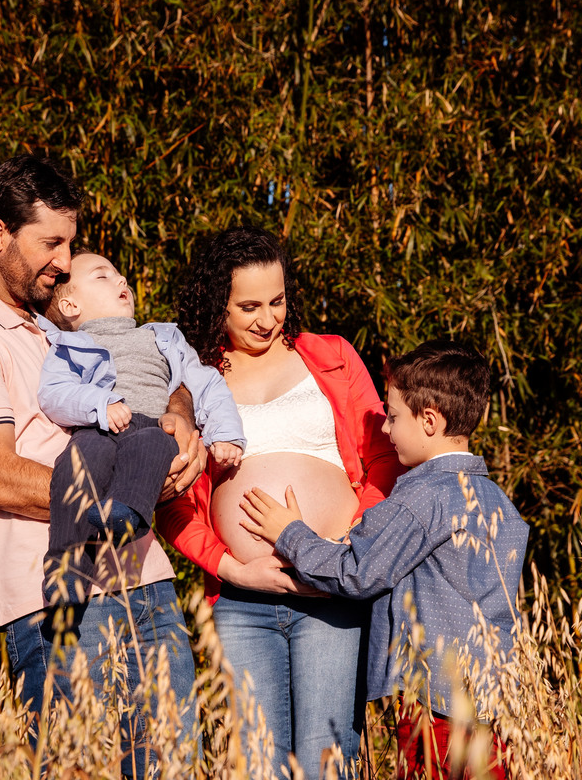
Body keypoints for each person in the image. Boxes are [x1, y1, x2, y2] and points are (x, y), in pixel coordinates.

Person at [0, 155, 204, 779]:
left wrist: (180, 412)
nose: (66, 261)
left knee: (177, 769)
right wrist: (130, 493)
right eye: (51, 242)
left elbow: (158, 369)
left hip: (146, 580)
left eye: (70, 244)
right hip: (59, 601)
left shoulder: (58, 325)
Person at [157, 225, 406, 779]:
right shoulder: (193, 381)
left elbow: (384, 460)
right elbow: (172, 504)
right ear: (215, 303)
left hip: (330, 590)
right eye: (248, 306)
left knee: (325, 758)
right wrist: (235, 569)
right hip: (241, 601)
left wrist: (345, 545)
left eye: (277, 301)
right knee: (257, 761)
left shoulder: (332, 357)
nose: (267, 319)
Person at [239, 339, 530, 780]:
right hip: (495, 700)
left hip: (437, 702)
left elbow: (358, 571)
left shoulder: (422, 496)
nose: (387, 430)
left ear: (429, 420)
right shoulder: (499, 502)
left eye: (393, 417)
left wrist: (290, 534)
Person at [37, 251, 246, 606]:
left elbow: (206, 383)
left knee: (154, 444)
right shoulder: (69, 347)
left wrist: (225, 434)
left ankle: (126, 513)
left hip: (151, 424)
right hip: (97, 429)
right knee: (79, 461)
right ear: (71, 306)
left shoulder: (163, 338)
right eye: (103, 276)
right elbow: (53, 394)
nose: (122, 280)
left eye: (120, 275)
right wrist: (99, 405)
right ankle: (66, 567)